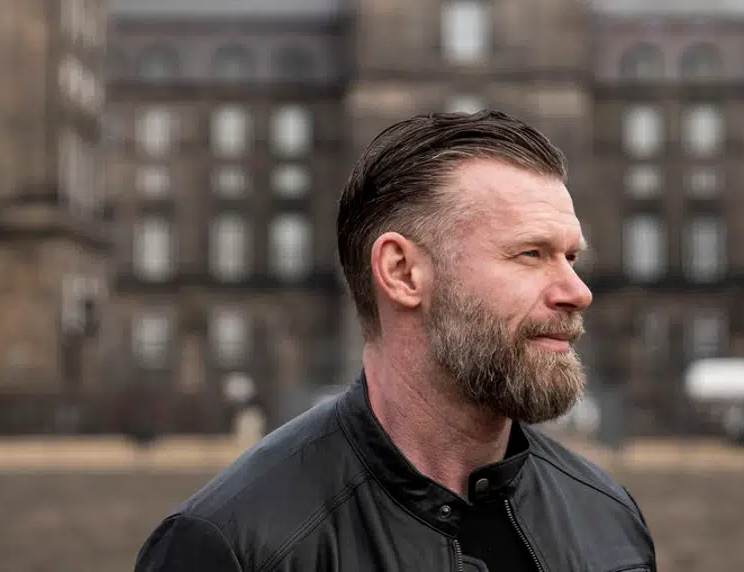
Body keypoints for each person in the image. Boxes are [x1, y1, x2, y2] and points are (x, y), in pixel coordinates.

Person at [135, 110, 657, 571]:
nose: (578, 292)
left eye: (572, 258)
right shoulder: (232, 545)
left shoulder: (608, 517)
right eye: (531, 255)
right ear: (403, 272)